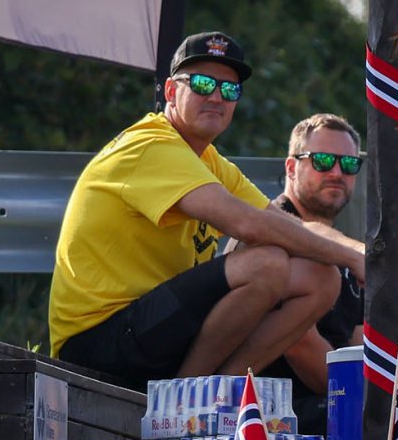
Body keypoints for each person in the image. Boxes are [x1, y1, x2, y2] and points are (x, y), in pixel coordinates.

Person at [49, 32, 364, 390]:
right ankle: (185, 399)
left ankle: (216, 395)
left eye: (229, 89)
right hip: (97, 341)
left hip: (153, 329)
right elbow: (248, 224)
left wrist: (360, 255)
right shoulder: (150, 144)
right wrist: (350, 259)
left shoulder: (210, 162)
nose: (216, 97)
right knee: (268, 264)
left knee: (322, 278)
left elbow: (290, 224)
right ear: (171, 92)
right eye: (202, 84)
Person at [252, 114, 368, 434]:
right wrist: (365, 403)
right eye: (323, 161)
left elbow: (357, 344)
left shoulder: (347, 256)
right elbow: (298, 344)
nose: (336, 173)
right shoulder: (268, 231)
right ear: (291, 168)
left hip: (325, 402)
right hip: (272, 415)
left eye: (349, 164)